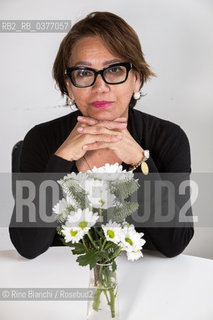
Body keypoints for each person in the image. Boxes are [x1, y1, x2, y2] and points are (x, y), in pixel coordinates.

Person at [9, 11, 194, 259]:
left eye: (115, 69)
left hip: (143, 285)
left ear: (136, 80)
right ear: (69, 87)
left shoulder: (168, 138)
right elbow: (28, 246)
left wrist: (140, 160)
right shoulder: (41, 139)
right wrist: (62, 158)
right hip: (61, 282)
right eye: (84, 73)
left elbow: (174, 243)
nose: (100, 87)